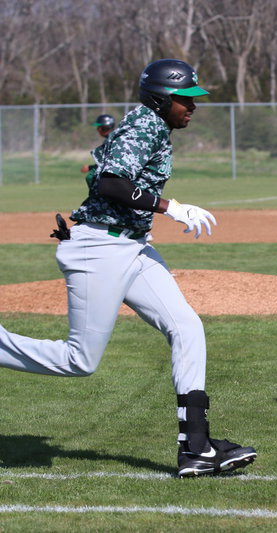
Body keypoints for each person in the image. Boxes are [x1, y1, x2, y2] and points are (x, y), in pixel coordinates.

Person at [0, 59, 256, 477]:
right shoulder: (144, 126)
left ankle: (196, 447)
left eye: (193, 99)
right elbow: (111, 183)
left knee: (187, 327)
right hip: (99, 247)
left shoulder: (154, 125)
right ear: (159, 98)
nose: (192, 106)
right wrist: (171, 206)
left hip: (131, 247)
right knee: (79, 361)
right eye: (183, 99)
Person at [80, 114, 116, 188]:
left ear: (106, 127)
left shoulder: (111, 140)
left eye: (101, 127)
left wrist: (90, 167)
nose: (98, 129)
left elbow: (107, 163)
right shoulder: (113, 137)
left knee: (91, 177)